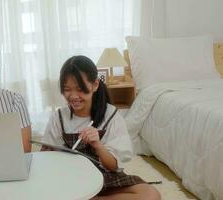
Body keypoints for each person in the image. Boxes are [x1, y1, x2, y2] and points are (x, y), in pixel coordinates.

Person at [42, 55, 161, 200]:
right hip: (71, 180)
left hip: (105, 179)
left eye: (80, 89)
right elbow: (48, 159)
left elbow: (113, 167)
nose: (73, 96)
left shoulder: (111, 116)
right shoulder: (58, 117)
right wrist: (48, 153)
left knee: (151, 195)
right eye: (67, 89)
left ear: (95, 85)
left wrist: (98, 145)